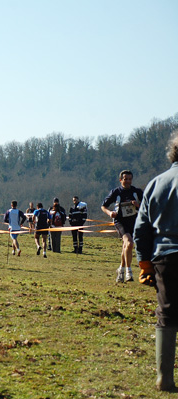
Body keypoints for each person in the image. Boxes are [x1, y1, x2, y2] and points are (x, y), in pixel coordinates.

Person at [134, 130, 178, 392]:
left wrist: (145, 264)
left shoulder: (156, 183)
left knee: (167, 312)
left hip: (165, 257)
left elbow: (141, 230)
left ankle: (165, 378)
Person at [101, 170, 144, 282]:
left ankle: (121, 269)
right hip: (120, 221)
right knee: (129, 242)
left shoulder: (137, 191)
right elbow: (103, 206)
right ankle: (129, 273)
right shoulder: (115, 192)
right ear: (121, 180)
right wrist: (110, 213)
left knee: (127, 246)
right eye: (125, 179)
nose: (128, 181)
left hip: (134, 221)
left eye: (130, 179)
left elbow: (146, 206)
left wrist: (138, 205)